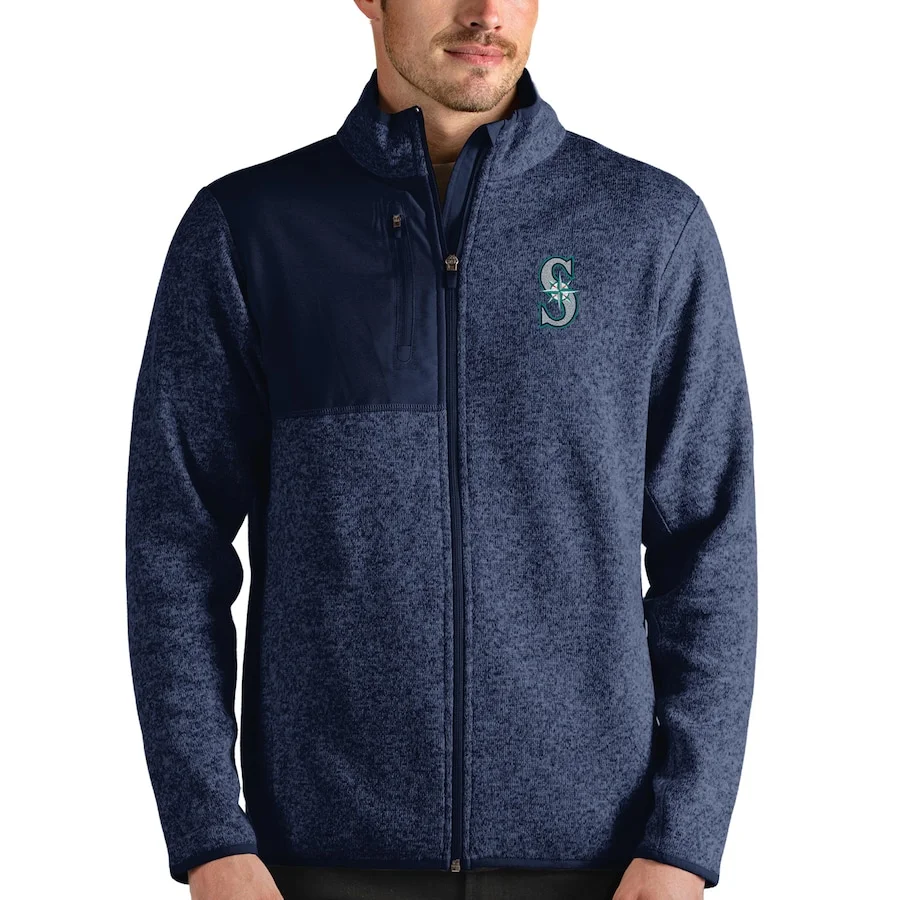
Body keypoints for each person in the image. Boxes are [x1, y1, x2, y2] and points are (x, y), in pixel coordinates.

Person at [124, 1, 757, 898]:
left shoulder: (648, 229)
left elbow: (711, 546)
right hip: (313, 866)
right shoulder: (250, 230)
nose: (485, 12)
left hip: (599, 870)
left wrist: (683, 843)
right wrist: (207, 836)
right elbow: (173, 543)